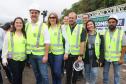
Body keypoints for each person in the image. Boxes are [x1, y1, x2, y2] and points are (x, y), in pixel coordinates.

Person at [25, 4, 50, 84]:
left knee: (44, 75)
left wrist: (46, 55)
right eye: (32, 13)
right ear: (30, 14)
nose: (34, 14)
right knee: (36, 74)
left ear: (38, 14)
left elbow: (47, 41)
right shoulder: (27, 25)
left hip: (41, 55)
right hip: (31, 54)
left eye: (36, 13)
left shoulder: (43, 26)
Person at [2, 17, 26, 84]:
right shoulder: (9, 34)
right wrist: (4, 58)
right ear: (14, 24)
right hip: (12, 59)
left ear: (23, 24)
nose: (19, 24)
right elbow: (5, 47)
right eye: (17, 22)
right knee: (16, 76)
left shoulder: (25, 34)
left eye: (20, 23)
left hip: (22, 59)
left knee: (20, 75)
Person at [103, 15, 126, 84]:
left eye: (113, 22)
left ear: (116, 23)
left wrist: (122, 58)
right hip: (106, 57)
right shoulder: (105, 32)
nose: (111, 23)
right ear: (108, 23)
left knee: (117, 74)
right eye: (109, 22)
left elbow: (124, 46)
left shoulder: (121, 33)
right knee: (105, 72)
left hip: (117, 58)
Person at [47, 12, 69, 84]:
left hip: (59, 53)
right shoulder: (47, 28)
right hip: (50, 53)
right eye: (50, 17)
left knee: (57, 71)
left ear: (56, 18)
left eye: (53, 17)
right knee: (53, 71)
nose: (52, 19)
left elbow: (67, 40)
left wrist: (66, 52)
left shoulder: (61, 27)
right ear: (49, 19)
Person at [65, 12, 86, 84]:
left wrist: (80, 55)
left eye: (72, 18)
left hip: (77, 55)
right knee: (68, 72)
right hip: (68, 54)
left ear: (76, 18)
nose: (71, 19)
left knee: (76, 73)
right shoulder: (65, 28)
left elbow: (82, 43)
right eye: (69, 18)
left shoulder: (81, 29)